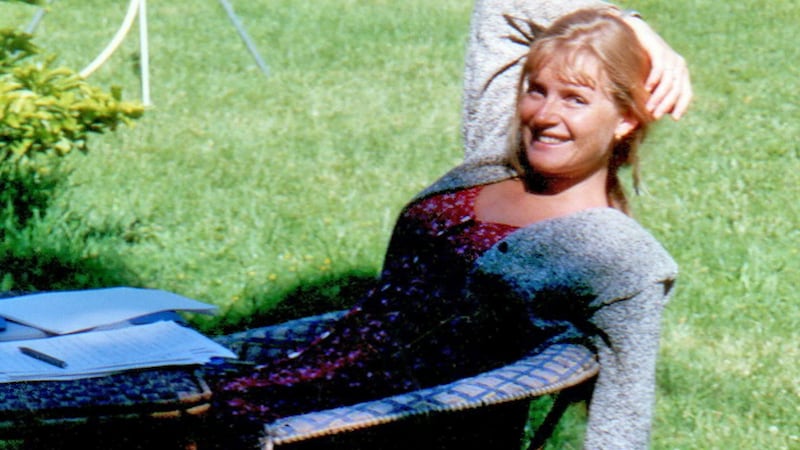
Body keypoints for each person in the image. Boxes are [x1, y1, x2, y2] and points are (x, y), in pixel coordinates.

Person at [205, 6, 685, 450]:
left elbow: (621, 424)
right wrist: (627, 26)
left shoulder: (615, 258)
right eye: (536, 89)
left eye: (575, 99)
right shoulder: (498, 159)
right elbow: (501, 9)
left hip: (360, 430)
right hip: (284, 380)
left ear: (625, 118)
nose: (544, 115)